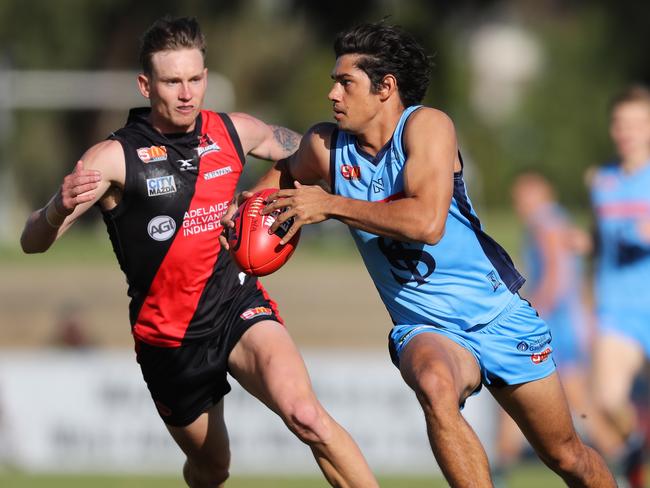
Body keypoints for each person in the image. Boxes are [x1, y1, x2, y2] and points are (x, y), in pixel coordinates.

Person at [222, 22, 616, 487]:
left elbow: (427, 223)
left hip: (497, 316)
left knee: (567, 456)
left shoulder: (428, 127)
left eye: (345, 82)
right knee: (433, 385)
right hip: (426, 328)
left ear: (385, 88)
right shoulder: (324, 147)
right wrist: (244, 214)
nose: (332, 94)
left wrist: (330, 204)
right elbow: (282, 178)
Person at [20, 16, 378, 488]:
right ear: (146, 85)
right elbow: (32, 242)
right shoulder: (112, 158)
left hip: (238, 305)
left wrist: (369, 151)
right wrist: (55, 208)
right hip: (170, 342)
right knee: (213, 468)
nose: (186, 93)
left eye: (194, 79)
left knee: (305, 415)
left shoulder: (234, 132)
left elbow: (307, 149)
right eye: (172, 82)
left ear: (205, 77)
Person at [493, 172, 595, 485]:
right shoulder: (556, 220)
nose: (518, 204)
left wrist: (534, 311)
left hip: (554, 326)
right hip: (563, 324)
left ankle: (625, 456)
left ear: (540, 194)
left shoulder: (544, 222)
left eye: (522, 197)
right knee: (572, 403)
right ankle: (498, 468)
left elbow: (556, 273)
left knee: (574, 403)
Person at [588, 84, 650, 488]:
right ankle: (635, 450)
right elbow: (600, 241)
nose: (625, 130)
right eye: (619, 122)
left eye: (635, 123)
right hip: (617, 310)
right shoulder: (601, 181)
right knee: (607, 401)